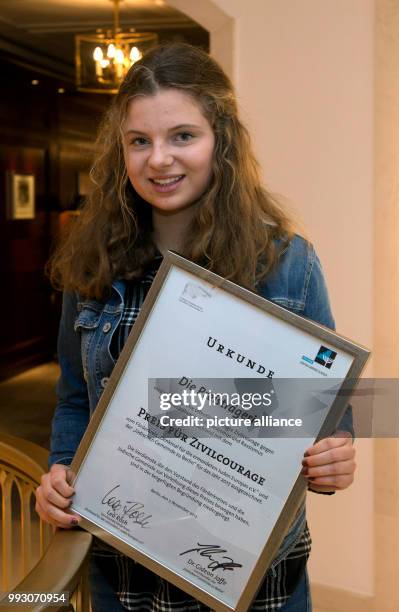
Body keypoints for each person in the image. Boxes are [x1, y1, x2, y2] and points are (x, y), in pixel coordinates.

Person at [35, 43, 356, 612]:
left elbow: (329, 409)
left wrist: (335, 453)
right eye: (140, 141)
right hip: (123, 576)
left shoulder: (287, 262)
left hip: (256, 584)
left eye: (183, 135)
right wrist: (60, 473)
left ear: (221, 142)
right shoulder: (92, 265)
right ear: (121, 150)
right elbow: (73, 401)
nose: (159, 159)